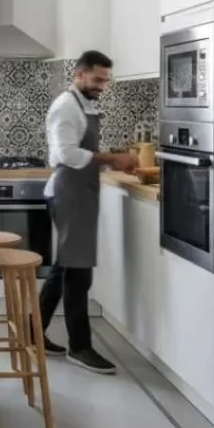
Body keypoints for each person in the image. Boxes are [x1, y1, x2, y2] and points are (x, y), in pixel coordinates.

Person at [40, 50, 136, 374]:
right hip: (69, 192)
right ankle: (79, 347)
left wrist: (110, 157)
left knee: (65, 266)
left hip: (80, 192)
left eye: (105, 80)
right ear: (78, 74)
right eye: (97, 79)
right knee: (78, 273)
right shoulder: (65, 107)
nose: (102, 86)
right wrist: (110, 158)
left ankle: (32, 332)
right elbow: (66, 152)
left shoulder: (84, 104)